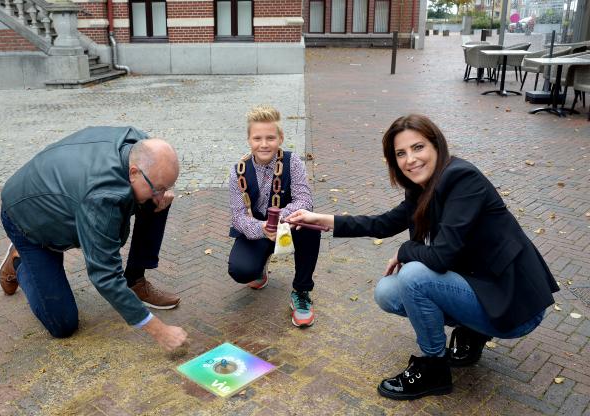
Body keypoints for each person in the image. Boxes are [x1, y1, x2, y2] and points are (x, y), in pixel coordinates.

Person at [286, 114, 559, 399]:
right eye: (400, 153)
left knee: (414, 277)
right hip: (481, 286)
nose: (410, 160)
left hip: (514, 304)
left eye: (418, 148)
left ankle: (434, 368)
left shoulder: (462, 179)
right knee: (387, 292)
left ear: (437, 146)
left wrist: (405, 251)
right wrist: (321, 219)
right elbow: (382, 223)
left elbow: (440, 258)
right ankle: (472, 330)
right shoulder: (421, 189)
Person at [0, 126, 188, 351]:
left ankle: (134, 281)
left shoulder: (140, 146)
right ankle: (19, 259)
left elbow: (154, 186)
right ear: (134, 172)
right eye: (158, 187)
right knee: (63, 324)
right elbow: (104, 274)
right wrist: (159, 330)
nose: (162, 193)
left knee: (157, 202)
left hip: (63, 196)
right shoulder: (102, 197)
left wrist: (160, 191)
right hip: (27, 219)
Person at [228, 105, 321, 327]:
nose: (263, 144)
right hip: (257, 230)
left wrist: (279, 222)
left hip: (288, 225)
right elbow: (239, 216)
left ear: (280, 138)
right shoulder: (237, 171)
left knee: (310, 224)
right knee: (241, 271)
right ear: (249, 140)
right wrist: (262, 228)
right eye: (257, 138)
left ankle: (301, 291)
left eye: (270, 137)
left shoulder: (293, 163)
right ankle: (259, 267)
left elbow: (304, 200)